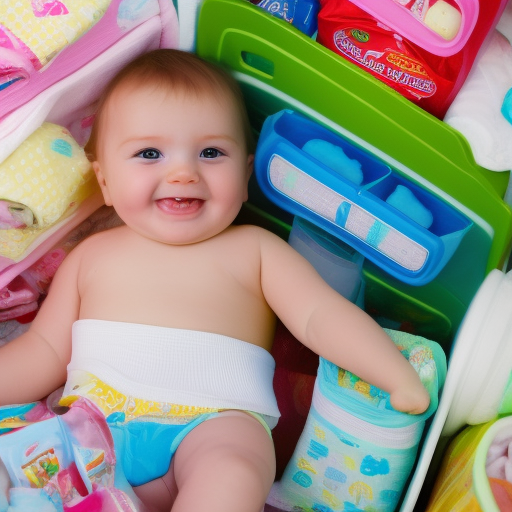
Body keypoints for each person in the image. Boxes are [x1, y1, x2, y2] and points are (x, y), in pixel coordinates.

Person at [0, 49, 430, 512]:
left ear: (245, 176)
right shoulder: (90, 256)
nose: (183, 172)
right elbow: (44, 350)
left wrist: (393, 372)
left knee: (233, 473)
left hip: (215, 424)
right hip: (93, 429)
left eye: (211, 152)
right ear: (103, 181)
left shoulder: (255, 250)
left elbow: (319, 317)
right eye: (149, 153)